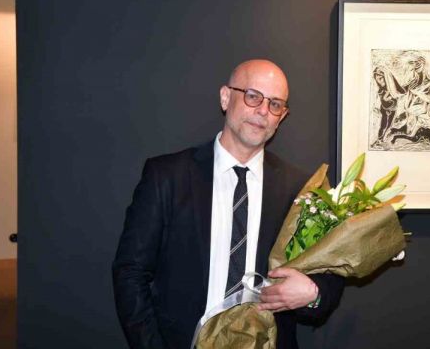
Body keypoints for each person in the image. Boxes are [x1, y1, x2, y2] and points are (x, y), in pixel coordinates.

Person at [112, 59, 344, 349]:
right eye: (253, 96)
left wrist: (314, 293)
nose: (263, 110)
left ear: (282, 116)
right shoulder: (167, 177)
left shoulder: (303, 189)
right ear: (225, 97)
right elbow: (130, 272)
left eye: (275, 104)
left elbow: (329, 280)